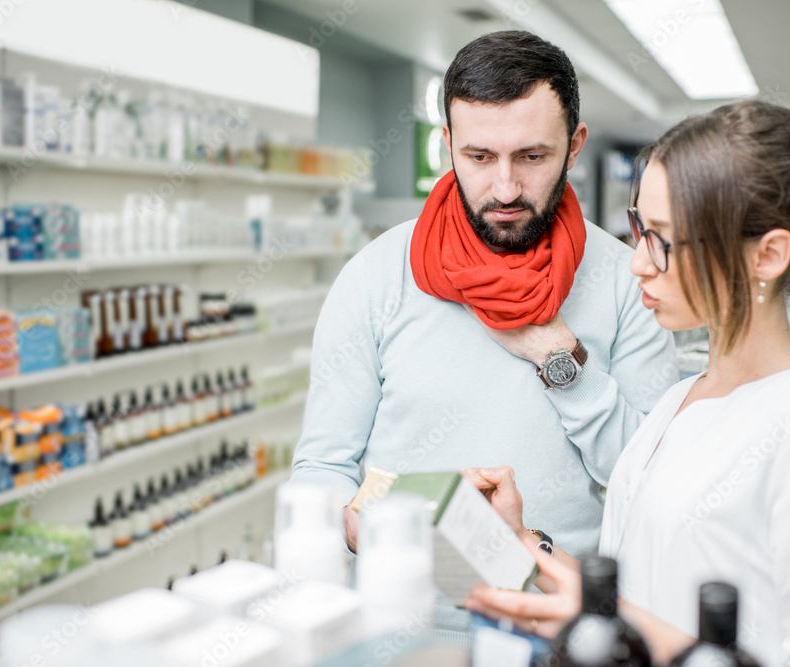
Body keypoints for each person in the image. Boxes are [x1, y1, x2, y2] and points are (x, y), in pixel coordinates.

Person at [463, 100, 790, 667]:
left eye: (663, 240)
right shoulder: (680, 399)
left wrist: (617, 629)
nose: (637, 261)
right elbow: (639, 596)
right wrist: (521, 544)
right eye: (639, 227)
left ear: (767, 255)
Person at [290, 30, 677, 626]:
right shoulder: (374, 277)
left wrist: (560, 358)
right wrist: (350, 522)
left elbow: (649, 482)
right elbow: (322, 465)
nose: (504, 189)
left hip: (561, 627)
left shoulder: (631, 282)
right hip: (403, 625)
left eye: (531, 156)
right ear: (447, 144)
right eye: (478, 157)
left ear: (574, 146)